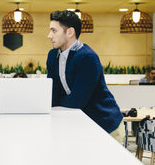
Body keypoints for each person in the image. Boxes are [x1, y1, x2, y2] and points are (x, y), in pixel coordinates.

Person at [46, 10, 124, 140]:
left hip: (105, 125)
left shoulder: (87, 57)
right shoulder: (53, 56)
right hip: (82, 124)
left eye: (54, 31)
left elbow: (77, 100)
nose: (49, 35)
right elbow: (52, 91)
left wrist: (56, 105)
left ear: (70, 32)